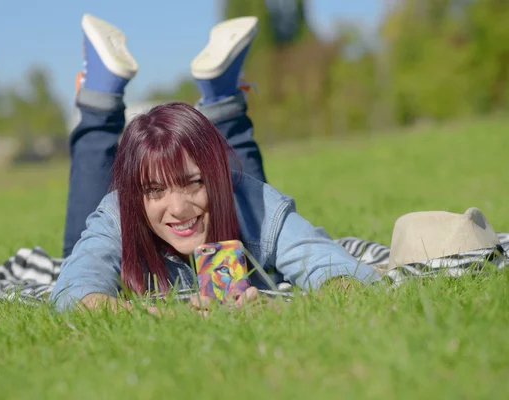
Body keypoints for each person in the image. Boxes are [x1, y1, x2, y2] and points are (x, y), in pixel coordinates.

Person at [52, 14, 378, 313]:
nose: (178, 208)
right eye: (155, 190)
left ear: (218, 177)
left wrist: (274, 308)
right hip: (142, 218)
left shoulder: (257, 203)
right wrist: (160, 316)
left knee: (247, 203)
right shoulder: (116, 214)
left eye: (194, 182)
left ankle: (221, 99)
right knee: (73, 253)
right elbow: (73, 291)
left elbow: (342, 275)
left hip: (238, 201)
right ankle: (101, 94)